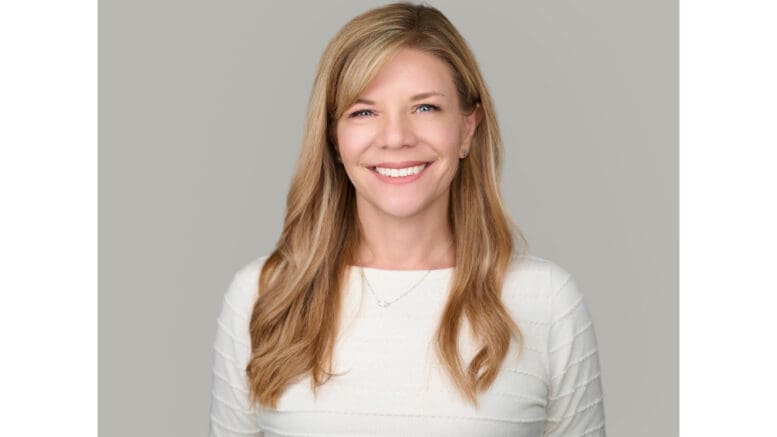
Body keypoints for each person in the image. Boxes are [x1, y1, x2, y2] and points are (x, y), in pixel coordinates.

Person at [209, 2, 605, 436]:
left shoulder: (545, 301)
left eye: (425, 108)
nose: (396, 137)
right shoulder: (264, 295)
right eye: (364, 111)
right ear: (333, 137)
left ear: (468, 128)